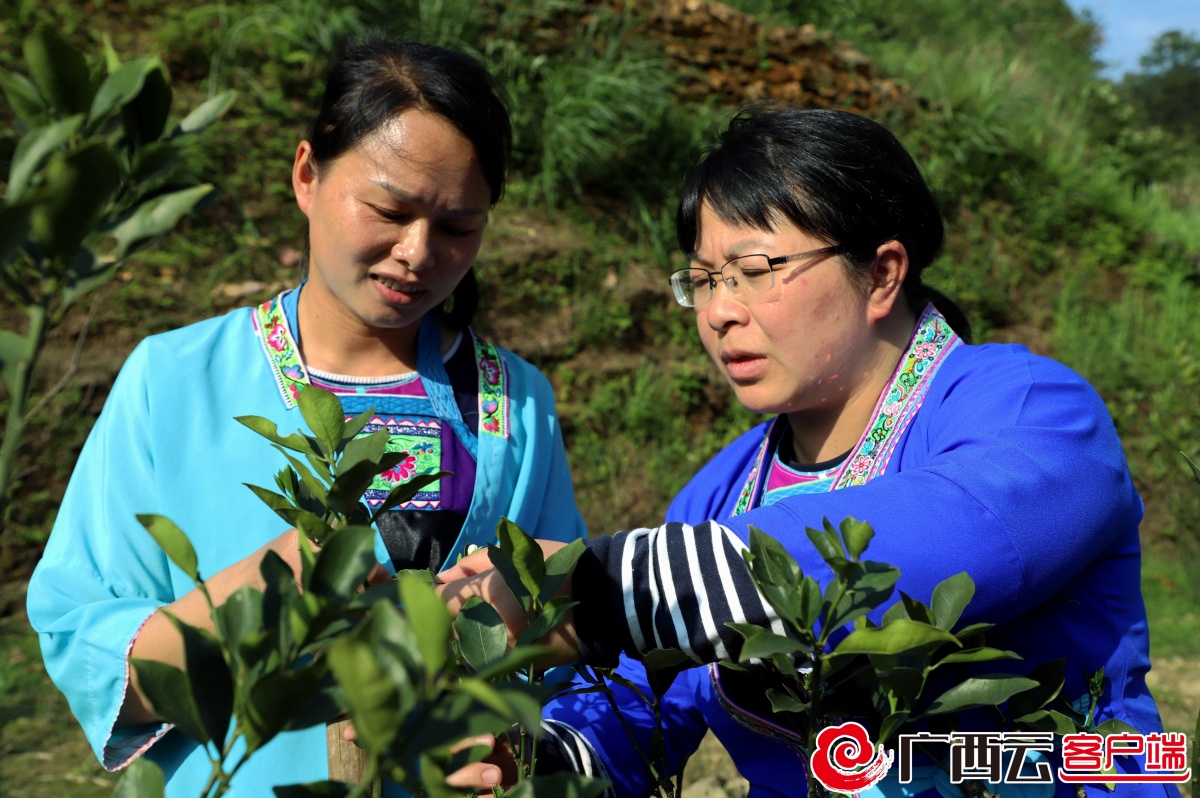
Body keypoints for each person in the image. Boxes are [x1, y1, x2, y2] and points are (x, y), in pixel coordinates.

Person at [436, 104, 1175, 797]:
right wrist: (536, 758)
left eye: (755, 272)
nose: (722, 312)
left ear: (882, 273)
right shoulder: (720, 495)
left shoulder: (1033, 411)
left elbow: (956, 534)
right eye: (703, 281)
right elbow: (638, 712)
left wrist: (599, 589)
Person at [26, 36, 586, 797]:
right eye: (389, 209)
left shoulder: (512, 400)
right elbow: (83, 637)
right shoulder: (173, 381)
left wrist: (509, 638)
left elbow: (563, 620)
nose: (418, 253)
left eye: (459, 228)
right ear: (306, 175)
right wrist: (281, 587)